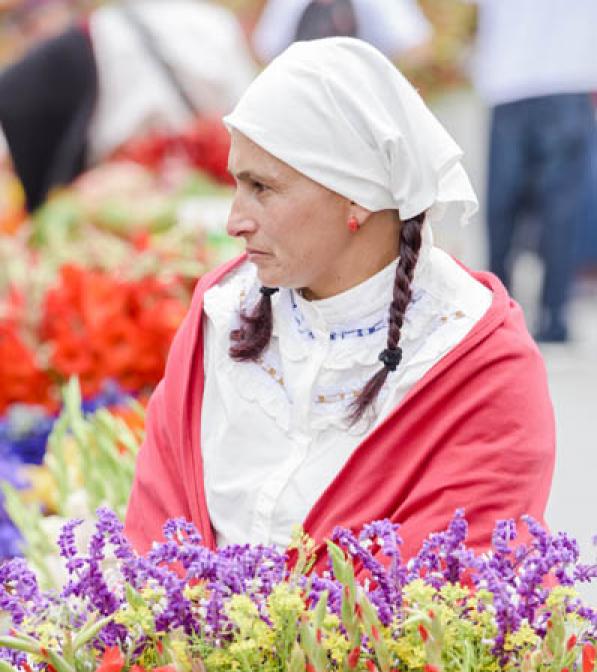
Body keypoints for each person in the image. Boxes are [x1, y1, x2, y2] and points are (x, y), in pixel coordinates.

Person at [125, 37, 555, 565]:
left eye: (262, 187)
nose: (234, 220)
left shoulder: (480, 367)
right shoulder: (220, 313)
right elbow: (149, 546)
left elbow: (446, 608)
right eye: (236, 183)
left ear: (357, 196)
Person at [0, 0, 256, 211]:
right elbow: (248, 123)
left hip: (118, 199)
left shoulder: (95, 32)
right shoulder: (215, 23)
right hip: (205, 200)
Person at [467, 0, 597, 343]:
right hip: (568, 82)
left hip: (509, 82)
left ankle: (496, 313)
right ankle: (555, 316)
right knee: (561, 211)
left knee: (503, 208)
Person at [252, 0, 432, 64]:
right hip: (306, 101)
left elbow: (417, 48)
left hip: (367, 101)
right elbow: (265, 48)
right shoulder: (290, 4)